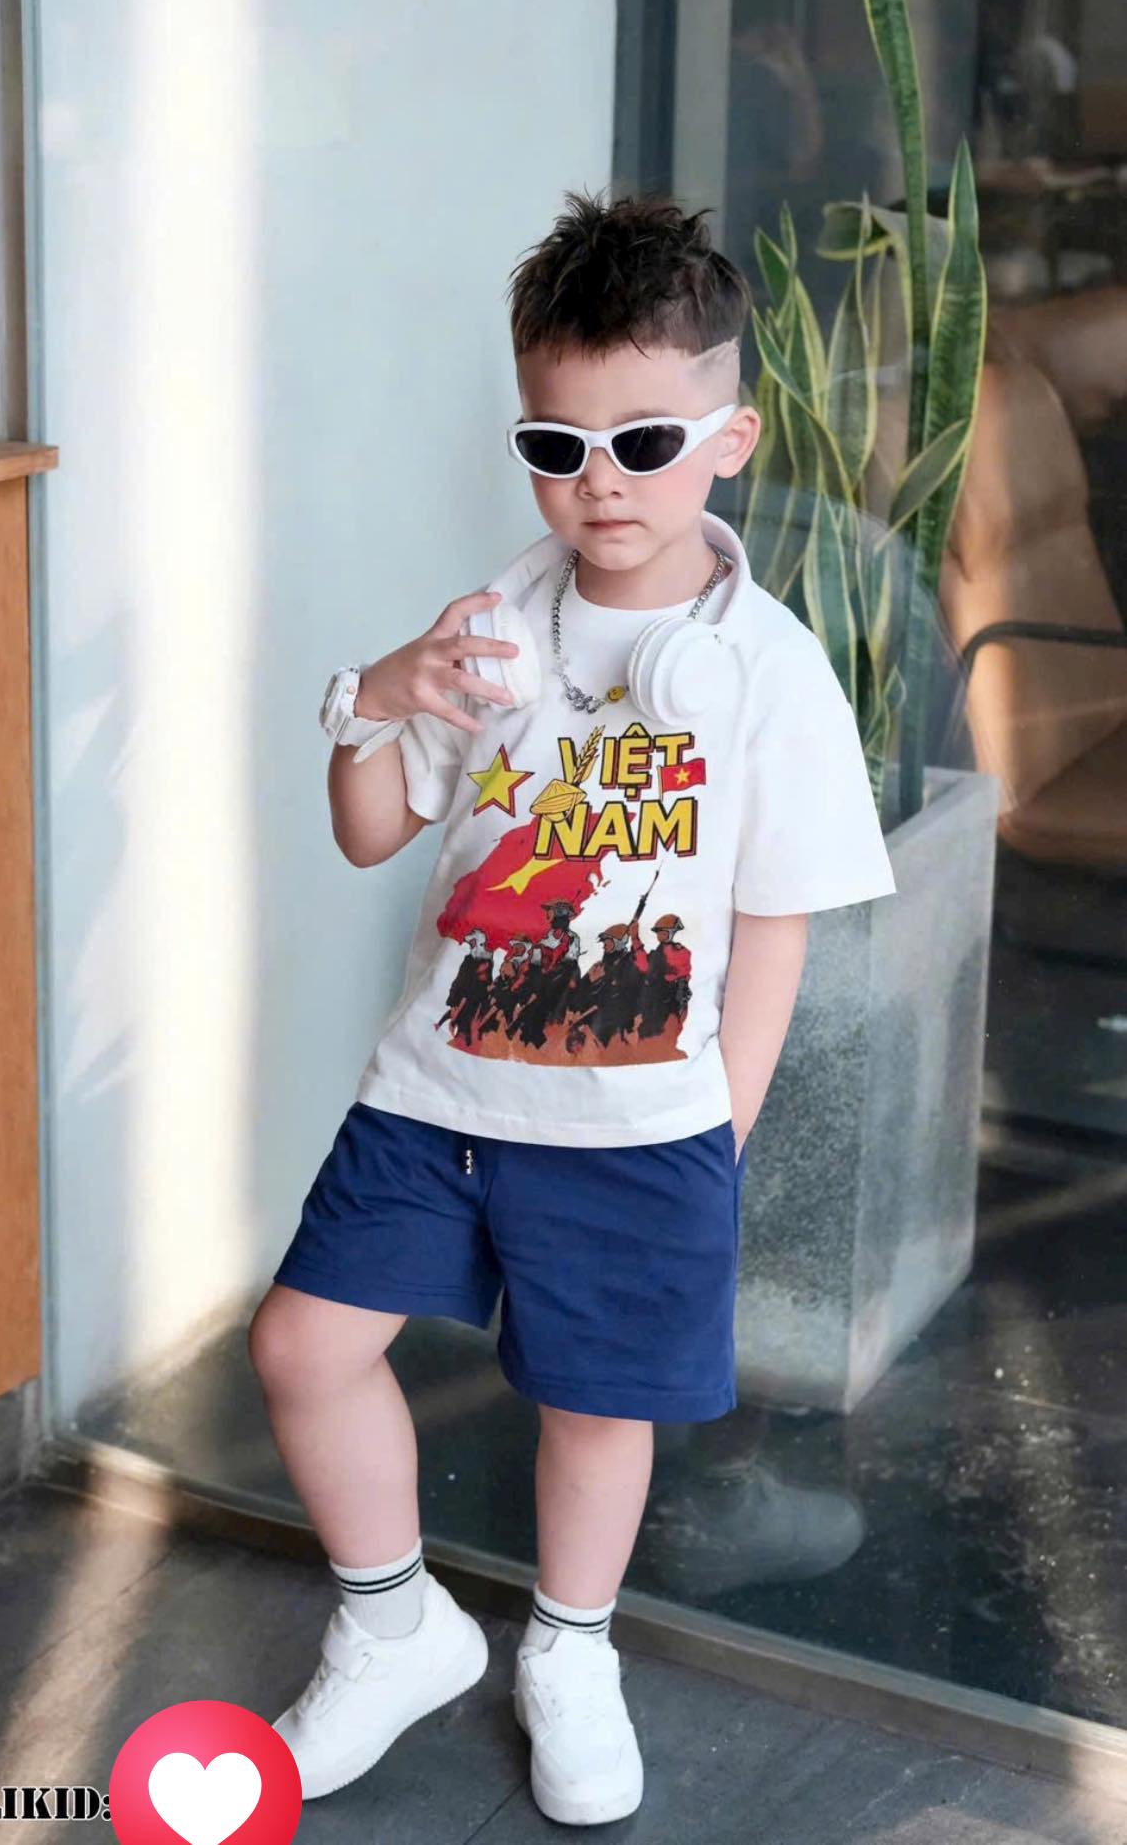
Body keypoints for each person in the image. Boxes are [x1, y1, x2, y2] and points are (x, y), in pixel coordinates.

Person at [249, 188, 897, 1826]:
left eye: (643, 441)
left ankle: (569, 1648)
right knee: (304, 1345)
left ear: (729, 441)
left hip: (640, 1119)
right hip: (434, 1090)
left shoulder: (767, 672)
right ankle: (392, 1626)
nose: (598, 480)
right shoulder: (491, 626)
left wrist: (717, 1133)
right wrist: (372, 699)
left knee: (597, 1410)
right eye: (557, 442)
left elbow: (773, 931)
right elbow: (370, 833)